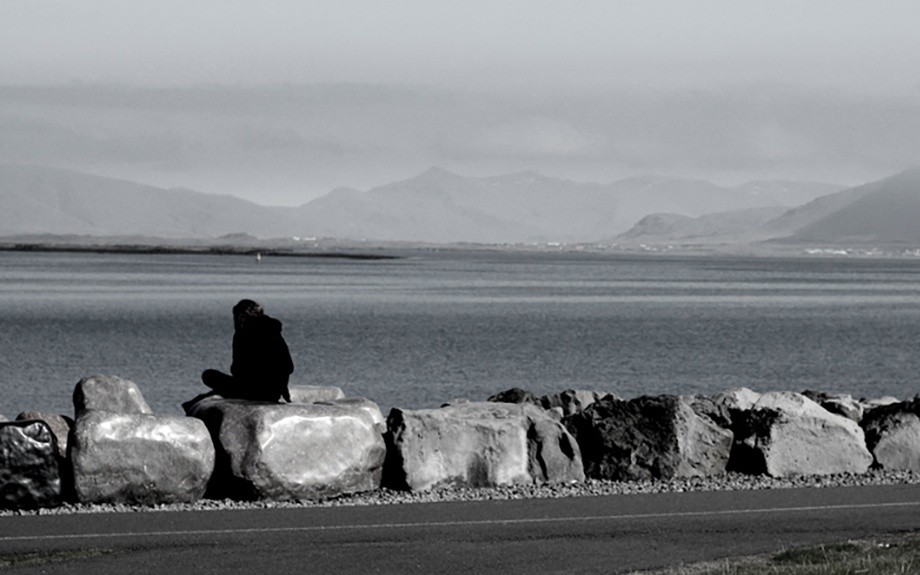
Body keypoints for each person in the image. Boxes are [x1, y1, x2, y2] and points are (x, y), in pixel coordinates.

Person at [200, 299, 294, 403]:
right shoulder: (274, 332)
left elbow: (237, 369)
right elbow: (287, 366)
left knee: (208, 375)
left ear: (241, 316)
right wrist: (283, 390)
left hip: (253, 390)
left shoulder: (242, 334)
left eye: (235, 317)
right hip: (274, 392)